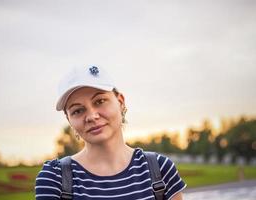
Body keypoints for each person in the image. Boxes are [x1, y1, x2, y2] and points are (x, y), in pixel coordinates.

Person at [35, 65, 186, 200]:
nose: (92, 116)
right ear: (69, 120)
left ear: (120, 102)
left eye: (99, 101)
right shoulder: (55, 178)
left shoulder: (159, 169)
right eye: (78, 110)